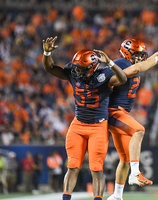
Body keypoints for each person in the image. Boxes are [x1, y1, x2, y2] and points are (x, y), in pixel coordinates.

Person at [42, 36, 128, 200]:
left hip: (98, 127)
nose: (75, 72)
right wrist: (46, 53)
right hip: (78, 124)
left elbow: (123, 79)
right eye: (76, 68)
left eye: (80, 69)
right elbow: (51, 68)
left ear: (92, 68)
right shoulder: (74, 72)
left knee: (96, 169)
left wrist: (110, 62)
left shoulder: (103, 76)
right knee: (72, 165)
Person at [107, 30, 158, 200]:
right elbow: (139, 67)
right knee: (138, 130)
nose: (141, 58)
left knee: (125, 159)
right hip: (112, 111)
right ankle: (135, 174)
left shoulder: (134, 63)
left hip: (120, 113)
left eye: (142, 55)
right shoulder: (121, 63)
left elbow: (153, 58)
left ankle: (117, 196)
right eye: (137, 54)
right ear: (127, 53)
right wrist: (156, 59)